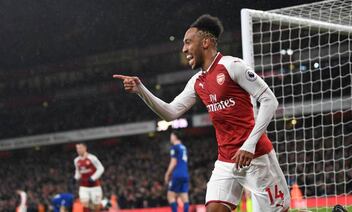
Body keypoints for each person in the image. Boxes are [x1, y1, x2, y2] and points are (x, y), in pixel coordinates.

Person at [114, 14, 290, 212]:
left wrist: (249, 145)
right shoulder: (198, 82)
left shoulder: (232, 66)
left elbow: (269, 101)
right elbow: (170, 113)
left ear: (205, 42)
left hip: (257, 156)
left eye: (188, 42)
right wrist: (141, 90)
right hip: (226, 160)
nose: (184, 49)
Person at [74, 143, 105, 212]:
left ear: (85, 148)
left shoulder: (92, 158)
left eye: (80, 148)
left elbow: (101, 168)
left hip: (95, 186)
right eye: (77, 148)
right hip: (83, 186)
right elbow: (78, 171)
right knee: (84, 204)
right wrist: (75, 178)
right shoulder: (76, 160)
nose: (78, 150)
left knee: (96, 207)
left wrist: (93, 178)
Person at [164, 130, 190, 212]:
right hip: (185, 174)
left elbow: (173, 162)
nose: (170, 138)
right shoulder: (184, 147)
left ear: (175, 136)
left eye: (171, 136)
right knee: (184, 197)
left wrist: (167, 174)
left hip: (177, 174)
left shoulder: (174, 147)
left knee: (170, 195)